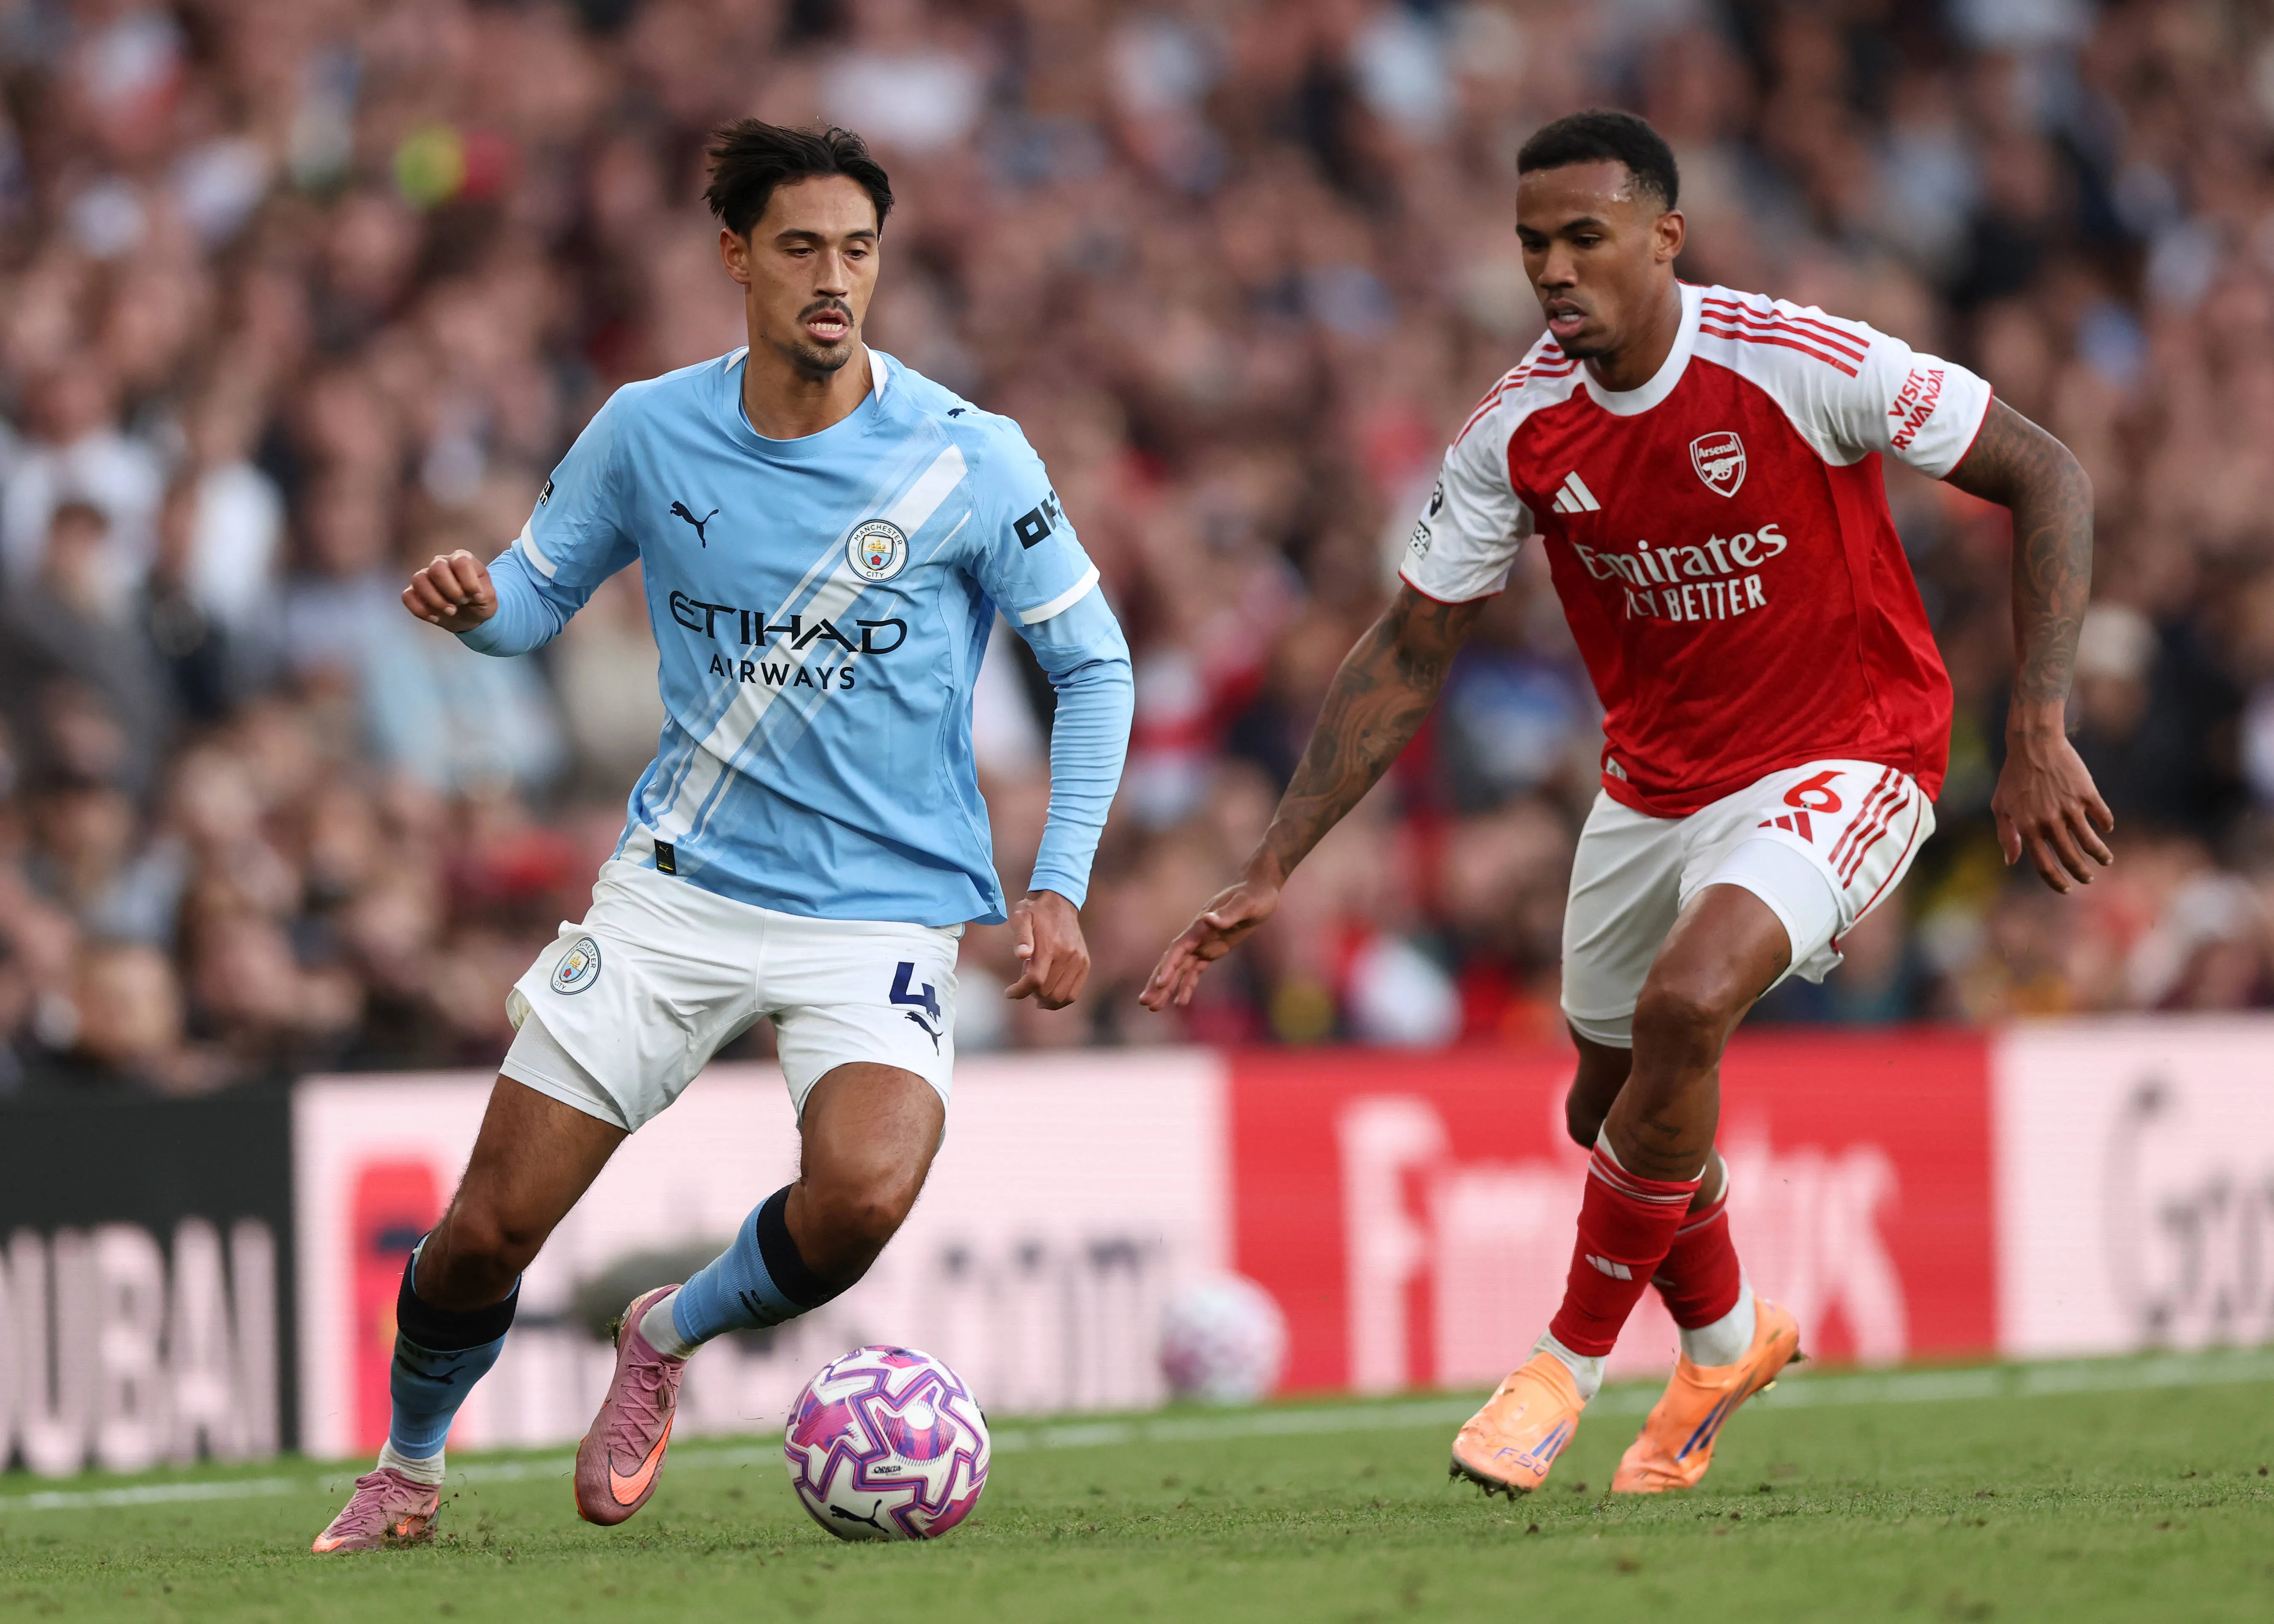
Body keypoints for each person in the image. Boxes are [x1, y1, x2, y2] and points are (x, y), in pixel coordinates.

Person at [1140, 110, 2109, 1497]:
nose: (1551, 267)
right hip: (1653, 785)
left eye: (1582, 237)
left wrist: (2035, 723)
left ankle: (1561, 1366)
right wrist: (1275, 859)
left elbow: (2044, 470)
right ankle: (1725, 1338)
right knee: (1607, 1106)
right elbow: (1410, 647)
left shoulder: (1799, 360)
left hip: (1852, 752)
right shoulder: (1517, 428)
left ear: (1664, 238)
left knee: (1683, 1004)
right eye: (1531, 242)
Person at [313, 121, 1133, 1553]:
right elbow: (530, 599)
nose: (835, 278)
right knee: (487, 1231)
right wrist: (476, 608)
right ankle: (409, 1466)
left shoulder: (970, 456)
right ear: (735, 257)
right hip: (679, 893)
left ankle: (663, 1332)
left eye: (859, 250)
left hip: (880, 910)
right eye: (802, 247)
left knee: (862, 1196)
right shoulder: (646, 428)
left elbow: (1096, 666)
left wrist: (1057, 882)